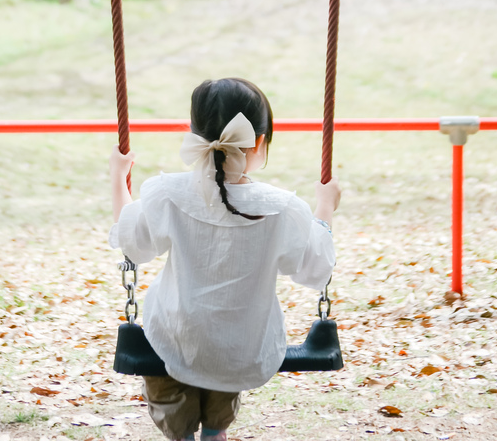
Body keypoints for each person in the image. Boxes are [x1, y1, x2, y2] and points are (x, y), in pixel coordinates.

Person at [109, 77, 341, 441]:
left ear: (193, 135)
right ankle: (216, 432)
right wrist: (325, 206)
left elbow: (133, 244)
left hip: (172, 337)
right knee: (221, 399)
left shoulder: (166, 194)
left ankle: (184, 433)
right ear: (260, 142)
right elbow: (314, 269)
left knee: (174, 407)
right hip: (241, 348)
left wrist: (117, 178)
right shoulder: (283, 209)